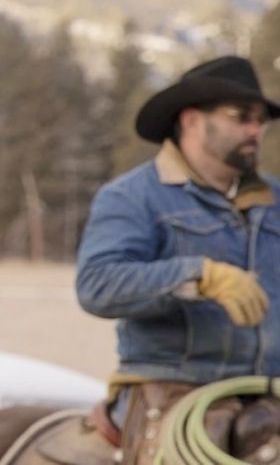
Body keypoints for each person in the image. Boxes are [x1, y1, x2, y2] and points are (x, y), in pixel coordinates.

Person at [77, 55, 280, 461]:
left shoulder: (276, 201)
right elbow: (97, 285)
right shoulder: (133, 197)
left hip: (266, 393)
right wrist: (198, 276)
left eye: (260, 120)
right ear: (190, 120)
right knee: (209, 434)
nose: (255, 130)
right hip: (173, 389)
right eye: (241, 116)